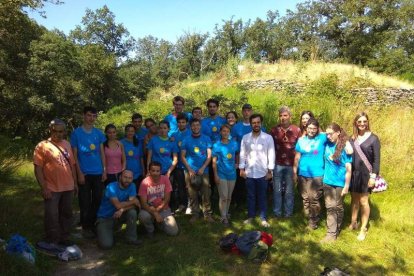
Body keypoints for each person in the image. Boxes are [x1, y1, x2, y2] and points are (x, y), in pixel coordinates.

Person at [34, 119, 77, 246]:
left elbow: (72, 165)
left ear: (64, 132)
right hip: (52, 187)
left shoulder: (67, 144)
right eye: (55, 131)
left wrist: (74, 183)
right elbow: (38, 169)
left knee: (67, 213)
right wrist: (44, 188)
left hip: (68, 186)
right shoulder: (42, 146)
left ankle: (64, 238)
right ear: (50, 130)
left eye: (61, 131)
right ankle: (52, 240)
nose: (58, 134)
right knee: (52, 215)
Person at [71, 106, 106, 239]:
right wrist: (79, 173)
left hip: (98, 172)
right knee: (84, 201)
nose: (91, 118)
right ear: (83, 116)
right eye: (89, 115)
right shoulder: (76, 134)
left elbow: (102, 153)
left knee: (98, 199)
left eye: (94, 116)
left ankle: (93, 224)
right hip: (84, 173)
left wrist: (104, 170)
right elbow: (74, 155)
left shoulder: (98, 133)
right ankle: (86, 227)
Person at [239, 114, 275, 228]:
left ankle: (263, 217)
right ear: (251, 124)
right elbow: (242, 154)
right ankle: (250, 216)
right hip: (249, 172)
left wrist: (270, 171)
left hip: (263, 173)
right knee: (250, 196)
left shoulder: (268, 137)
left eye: (258, 122)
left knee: (262, 196)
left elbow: (271, 154)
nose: (256, 125)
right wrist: (241, 168)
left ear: (261, 123)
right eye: (254, 123)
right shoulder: (245, 138)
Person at [349, 112, 380, 241]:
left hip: (366, 175)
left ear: (367, 122)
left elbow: (377, 160)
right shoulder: (352, 138)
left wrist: (373, 177)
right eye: (359, 121)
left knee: (363, 201)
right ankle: (353, 222)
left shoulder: (373, 138)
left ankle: (363, 228)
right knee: (354, 200)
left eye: (364, 121)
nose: (362, 124)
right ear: (356, 123)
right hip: (354, 174)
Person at [321, 123, 352, 242]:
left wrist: (347, 186)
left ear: (338, 132)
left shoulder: (345, 147)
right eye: (327, 133)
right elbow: (319, 133)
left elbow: (349, 169)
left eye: (331, 134)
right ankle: (331, 234)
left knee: (338, 207)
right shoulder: (327, 143)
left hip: (340, 183)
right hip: (327, 182)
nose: (328, 136)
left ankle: (337, 228)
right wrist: (327, 132)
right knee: (330, 207)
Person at [293, 118, 326, 230]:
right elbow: (297, 156)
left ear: (317, 129)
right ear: (306, 128)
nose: (312, 130)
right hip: (302, 173)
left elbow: (337, 134)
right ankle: (309, 215)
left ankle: (313, 221)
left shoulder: (322, 138)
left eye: (314, 128)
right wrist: (294, 171)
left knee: (314, 198)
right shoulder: (301, 140)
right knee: (305, 197)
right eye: (310, 128)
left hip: (317, 174)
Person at [96, 170, 142, 249]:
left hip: (119, 215)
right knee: (106, 245)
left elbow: (134, 205)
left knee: (132, 212)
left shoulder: (132, 186)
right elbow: (118, 205)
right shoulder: (111, 187)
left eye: (130, 178)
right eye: (125, 177)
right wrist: (133, 201)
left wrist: (122, 210)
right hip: (105, 218)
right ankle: (104, 229)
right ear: (120, 177)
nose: (127, 180)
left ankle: (131, 239)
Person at [270, 106, 301, 218]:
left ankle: (288, 213)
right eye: (281, 116)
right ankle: (277, 212)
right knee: (276, 190)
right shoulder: (274, 130)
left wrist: (297, 167)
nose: (283, 118)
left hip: (291, 165)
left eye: (285, 115)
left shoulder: (297, 130)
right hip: (277, 163)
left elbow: (300, 148)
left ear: (290, 116)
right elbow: (270, 148)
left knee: (289, 191)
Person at [181, 118, 214, 223]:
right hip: (190, 171)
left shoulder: (206, 138)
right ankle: (195, 214)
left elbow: (209, 156)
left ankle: (207, 214)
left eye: (197, 125)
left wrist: (203, 167)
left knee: (206, 192)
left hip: (204, 170)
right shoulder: (186, 140)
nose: (195, 127)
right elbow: (182, 156)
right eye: (193, 125)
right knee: (192, 193)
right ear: (190, 127)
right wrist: (190, 170)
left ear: (200, 126)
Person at [138, 161, 179, 238]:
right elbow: (143, 203)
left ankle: (158, 224)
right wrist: (155, 213)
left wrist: (159, 209)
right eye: (153, 171)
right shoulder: (144, 183)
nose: (155, 173)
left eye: (157, 171)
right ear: (149, 171)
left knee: (173, 232)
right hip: (149, 210)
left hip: (164, 209)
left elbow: (167, 198)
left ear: (160, 171)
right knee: (143, 216)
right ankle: (150, 230)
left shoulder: (165, 179)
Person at [212, 124, 239, 226]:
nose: (225, 133)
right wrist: (215, 175)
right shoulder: (216, 145)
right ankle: (223, 217)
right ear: (220, 132)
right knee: (223, 196)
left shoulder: (234, 144)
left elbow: (237, 154)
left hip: (232, 173)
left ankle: (226, 213)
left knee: (229, 197)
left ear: (229, 133)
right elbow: (214, 162)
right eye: (223, 131)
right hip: (221, 173)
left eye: (227, 131)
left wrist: (237, 163)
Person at [171, 113, 192, 213]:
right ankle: (182, 204)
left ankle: (190, 204)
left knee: (189, 186)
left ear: (187, 123)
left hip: (188, 165)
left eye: (183, 122)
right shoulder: (173, 135)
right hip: (178, 165)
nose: (181, 124)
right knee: (180, 186)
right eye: (179, 122)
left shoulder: (190, 133)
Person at [121, 124, 145, 189]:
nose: (130, 133)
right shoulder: (121, 143)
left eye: (132, 131)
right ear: (125, 132)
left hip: (138, 172)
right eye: (128, 131)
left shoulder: (138, 142)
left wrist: (143, 170)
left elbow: (141, 157)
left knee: (137, 191)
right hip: (126, 172)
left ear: (134, 132)